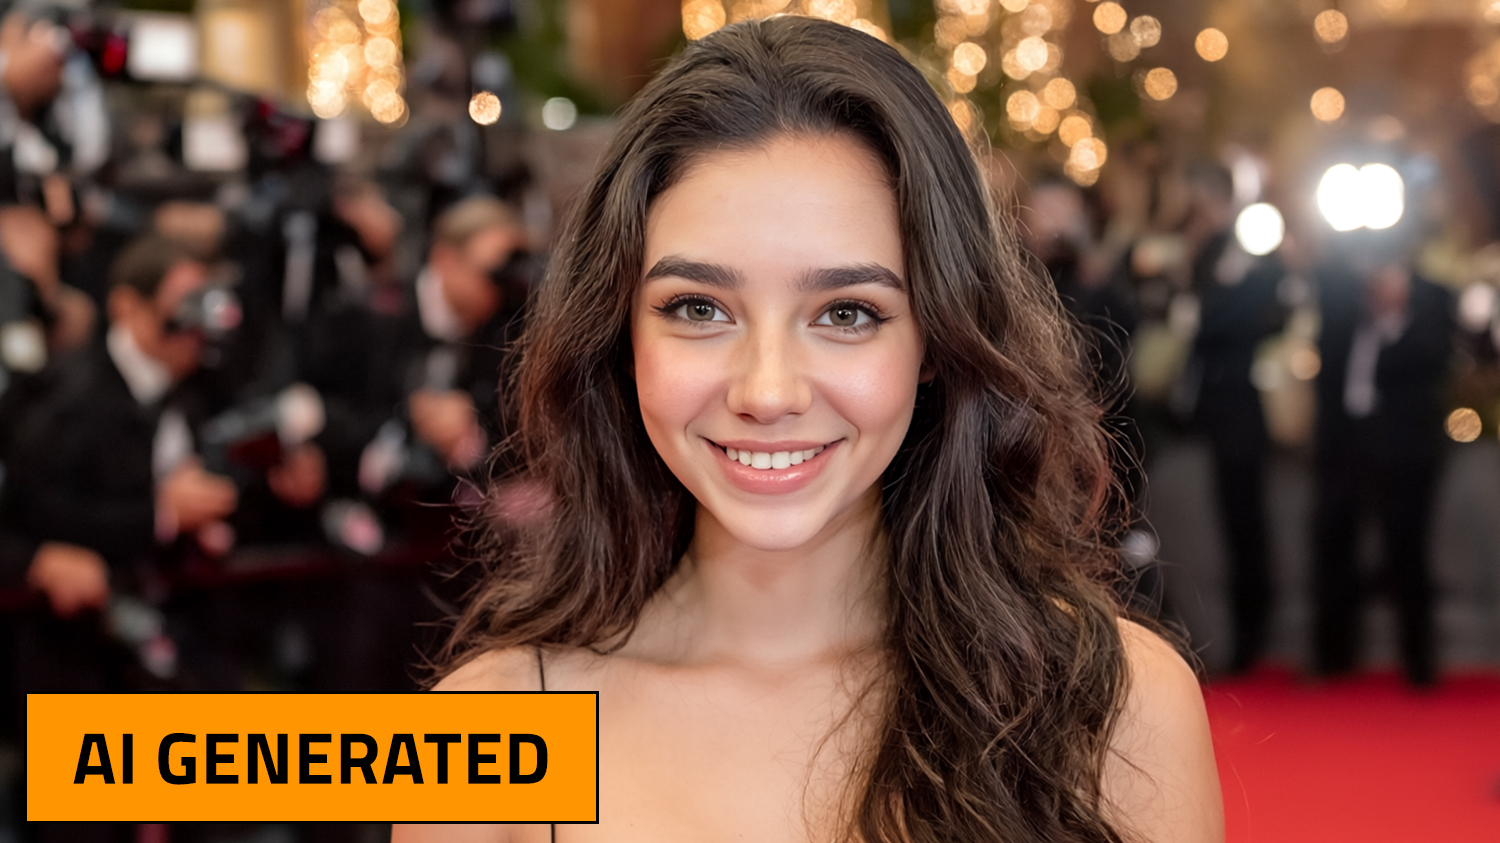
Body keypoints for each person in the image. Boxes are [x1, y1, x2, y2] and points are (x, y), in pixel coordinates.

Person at [396, 17, 1220, 843]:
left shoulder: (1112, 708)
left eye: (847, 312)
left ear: (935, 338)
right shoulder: (494, 724)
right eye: (698, 308)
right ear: (620, 331)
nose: (767, 391)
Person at [1312, 254, 1454, 687]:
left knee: (1406, 553)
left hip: (1403, 455)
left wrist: (1394, 316)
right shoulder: (1344, 317)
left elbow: (1432, 364)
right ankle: (1333, 660)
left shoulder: (1425, 318)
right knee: (1333, 552)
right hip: (1345, 452)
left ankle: (1419, 663)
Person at [1181, 163, 1287, 673]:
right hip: (1206, 408)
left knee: (1247, 523)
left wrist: (1203, 315)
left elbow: (1241, 314)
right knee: (1224, 523)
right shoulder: (1197, 247)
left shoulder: (1244, 242)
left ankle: (1254, 633)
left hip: (1241, 407)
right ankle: (1240, 634)